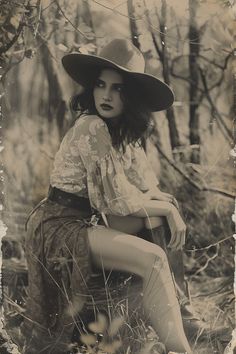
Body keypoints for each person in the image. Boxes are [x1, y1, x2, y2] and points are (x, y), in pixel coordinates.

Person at [21, 38, 194, 354]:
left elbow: (146, 185)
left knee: (162, 209)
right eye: (101, 85)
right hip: (60, 226)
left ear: (130, 97)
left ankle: (179, 315)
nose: (106, 95)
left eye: (117, 88)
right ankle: (183, 347)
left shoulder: (123, 135)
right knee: (155, 253)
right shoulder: (91, 125)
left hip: (86, 223)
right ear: (92, 89)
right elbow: (112, 202)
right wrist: (168, 210)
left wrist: (167, 205)